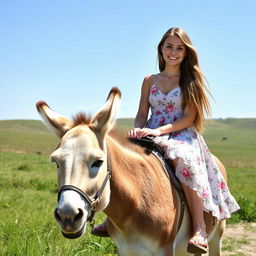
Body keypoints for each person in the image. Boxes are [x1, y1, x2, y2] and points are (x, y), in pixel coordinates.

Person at [92, 27, 240, 253]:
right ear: (161, 49)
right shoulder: (149, 80)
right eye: (169, 46)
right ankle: (113, 219)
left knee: (185, 163)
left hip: (181, 133)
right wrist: (138, 130)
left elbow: (189, 118)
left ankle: (199, 228)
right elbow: (142, 112)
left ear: (186, 52)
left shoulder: (191, 79)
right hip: (150, 130)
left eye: (179, 48)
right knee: (120, 159)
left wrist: (160, 132)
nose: (174, 52)